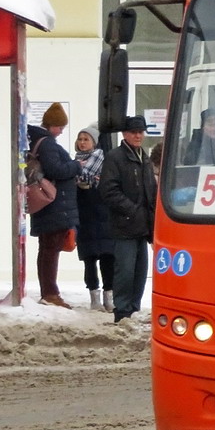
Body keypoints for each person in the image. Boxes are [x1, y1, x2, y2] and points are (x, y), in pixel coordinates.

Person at [100, 115, 158, 322]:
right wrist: (132, 210)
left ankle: (133, 308)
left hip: (142, 226)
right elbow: (108, 190)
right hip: (124, 225)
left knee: (140, 272)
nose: (138, 136)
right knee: (124, 271)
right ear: (125, 134)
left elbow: (150, 191)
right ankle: (123, 311)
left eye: (141, 132)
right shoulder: (116, 157)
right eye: (134, 132)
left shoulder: (144, 157)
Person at [27, 103, 80, 308]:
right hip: (54, 206)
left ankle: (49, 291)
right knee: (51, 250)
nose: (61, 131)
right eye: (60, 127)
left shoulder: (37, 140)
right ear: (52, 125)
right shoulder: (48, 143)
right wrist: (76, 165)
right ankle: (50, 293)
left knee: (47, 249)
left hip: (49, 207)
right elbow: (55, 170)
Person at [73, 125, 115, 312]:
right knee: (89, 259)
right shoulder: (74, 163)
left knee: (108, 258)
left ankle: (109, 296)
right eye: (80, 139)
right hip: (85, 217)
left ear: (95, 142)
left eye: (86, 139)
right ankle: (94, 298)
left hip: (104, 216)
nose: (82, 143)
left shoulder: (103, 160)